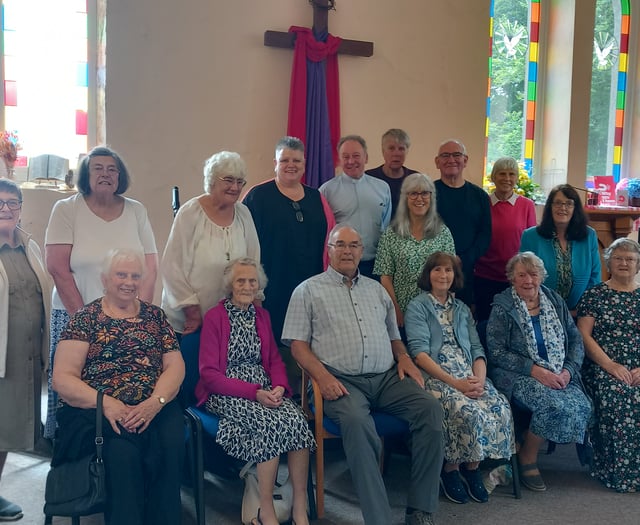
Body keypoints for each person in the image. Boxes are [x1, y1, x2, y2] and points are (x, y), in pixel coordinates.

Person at [282, 225, 443, 525]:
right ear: (328, 250)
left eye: (354, 245)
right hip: (339, 381)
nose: (347, 251)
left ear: (361, 250)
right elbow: (298, 347)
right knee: (358, 422)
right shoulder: (308, 290)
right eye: (340, 244)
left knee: (431, 411)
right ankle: (379, 518)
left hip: (386, 379)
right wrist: (323, 378)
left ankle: (420, 510)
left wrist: (404, 357)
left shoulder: (376, 290)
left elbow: (394, 336)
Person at [52, 249, 185, 525]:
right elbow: (62, 378)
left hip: (153, 405)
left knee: (172, 442)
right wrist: (107, 403)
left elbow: (175, 367)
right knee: (123, 453)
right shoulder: (86, 318)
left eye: (135, 276)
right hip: (98, 408)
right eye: (121, 274)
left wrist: (155, 402)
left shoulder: (155, 318)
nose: (129, 281)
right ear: (105, 279)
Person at [45, 145, 158, 439]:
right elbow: (57, 267)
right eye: (98, 168)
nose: (106, 174)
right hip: (75, 318)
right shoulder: (67, 209)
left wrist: (138, 319)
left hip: (127, 321)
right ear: (86, 174)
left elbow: (150, 267)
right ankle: (74, 456)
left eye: (112, 169)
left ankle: (124, 447)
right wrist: (88, 321)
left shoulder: (136, 210)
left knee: (124, 387)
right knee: (77, 389)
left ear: (120, 176)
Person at [195, 258, 314, 525]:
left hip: (265, 388)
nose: (247, 286)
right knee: (269, 425)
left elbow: (273, 359)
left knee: (297, 422)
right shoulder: (215, 317)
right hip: (227, 391)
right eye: (241, 280)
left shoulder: (262, 315)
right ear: (230, 285)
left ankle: (299, 506)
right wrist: (255, 392)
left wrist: (280, 387)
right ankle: (266, 509)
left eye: (252, 281)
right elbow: (209, 375)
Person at [404, 252, 514, 504]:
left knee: (499, 406)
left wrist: (480, 381)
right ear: (428, 274)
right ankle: (450, 470)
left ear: (455, 276)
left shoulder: (462, 308)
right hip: (435, 374)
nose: (443, 275)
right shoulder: (417, 306)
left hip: (468, 372)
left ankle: (472, 467)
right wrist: (456, 384)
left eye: (448, 270)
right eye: (437, 270)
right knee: (465, 410)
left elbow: (477, 349)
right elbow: (419, 354)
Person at [486, 252, 592, 492]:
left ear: (541, 277)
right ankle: (527, 457)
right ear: (512, 278)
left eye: (533, 274)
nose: (528, 281)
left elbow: (575, 341)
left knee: (583, 406)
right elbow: (496, 352)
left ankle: (525, 439)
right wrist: (533, 369)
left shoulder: (554, 300)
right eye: (521, 275)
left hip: (558, 372)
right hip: (517, 375)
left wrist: (569, 370)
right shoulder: (503, 306)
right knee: (552, 406)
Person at [243, 137, 334, 346]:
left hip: (310, 287)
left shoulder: (317, 197)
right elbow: (244, 245)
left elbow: (329, 244)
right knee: (272, 347)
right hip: (271, 289)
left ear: (304, 164)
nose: (291, 165)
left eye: (296, 160)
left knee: (307, 344)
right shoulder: (257, 197)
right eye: (284, 160)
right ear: (275, 163)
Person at [161, 150, 260, 335]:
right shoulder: (190, 213)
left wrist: (255, 302)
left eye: (240, 181)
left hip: (232, 319)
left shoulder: (243, 213)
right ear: (212, 180)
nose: (235, 187)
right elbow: (172, 267)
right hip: (189, 321)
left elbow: (253, 261)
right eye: (229, 180)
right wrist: (191, 311)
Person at [0, 179, 51, 521]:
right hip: (0, 357)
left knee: (9, 429)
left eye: (13, 203)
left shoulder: (29, 245)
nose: (6, 209)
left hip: (25, 356)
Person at [577, 238, 640, 492]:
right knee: (621, 395)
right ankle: (620, 473)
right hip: (602, 366)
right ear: (609, 263)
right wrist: (610, 366)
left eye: (630, 259)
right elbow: (583, 336)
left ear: (638, 265)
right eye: (618, 258)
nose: (624, 263)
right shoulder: (595, 295)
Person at [374, 173, 455, 329]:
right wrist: (395, 311)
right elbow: (385, 277)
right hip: (402, 312)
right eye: (413, 193)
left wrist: (445, 312)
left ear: (432, 197)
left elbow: (450, 277)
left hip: (434, 312)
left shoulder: (443, 233)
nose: (420, 198)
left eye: (425, 193)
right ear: (405, 198)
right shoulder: (391, 233)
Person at [520, 184, 601, 316]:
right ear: (550, 207)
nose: (563, 208)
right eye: (557, 203)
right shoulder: (530, 237)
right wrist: (539, 309)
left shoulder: (589, 235)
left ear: (575, 208)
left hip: (579, 314)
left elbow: (594, 276)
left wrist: (580, 311)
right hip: (540, 313)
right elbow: (523, 278)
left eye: (569, 204)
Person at [473, 157, 536, 321]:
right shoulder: (482, 203)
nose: (507, 179)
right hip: (485, 276)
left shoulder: (527, 205)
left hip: (516, 278)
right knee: (485, 323)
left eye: (511, 174)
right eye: (502, 174)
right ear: (493, 177)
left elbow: (531, 245)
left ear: (517, 178)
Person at [319, 135, 391, 278]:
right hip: (341, 266)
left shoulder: (382, 188)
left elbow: (386, 228)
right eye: (345, 157)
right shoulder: (326, 191)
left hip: (375, 265)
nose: (351, 161)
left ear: (366, 157)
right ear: (339, 160)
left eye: (356, 156)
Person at [433, 139, 491, 307]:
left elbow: (485, 234)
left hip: (467, 271)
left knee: (462, 322)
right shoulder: (428, 193)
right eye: (445, 155)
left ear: (465, 160)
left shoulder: (479, 196)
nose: (451, 160)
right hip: (433, 269)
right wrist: (442, 261)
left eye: (457, 155)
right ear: (437, 162)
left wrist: (463, 259)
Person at [366, 128, 418, 218]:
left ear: (407, 152)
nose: (396, 153)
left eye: (401, 149)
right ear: (383, 151)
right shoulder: (369, 178)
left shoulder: (415, 179)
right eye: (391, 148)